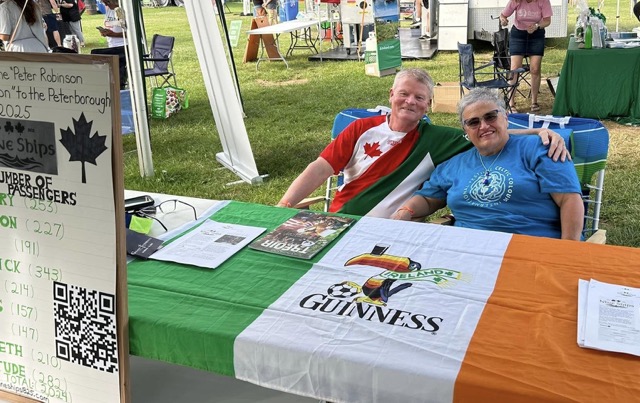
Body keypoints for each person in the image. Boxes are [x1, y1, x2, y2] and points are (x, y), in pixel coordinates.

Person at [276, 68, 568, 218]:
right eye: (404, 94)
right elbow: (319, 169)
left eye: (419, 98)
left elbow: (488, 133)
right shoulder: (360, 129)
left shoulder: (436, 140)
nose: (410, 102)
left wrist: (539, 132)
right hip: (341, 221)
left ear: (428, 105)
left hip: (394, 233)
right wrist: (285, 204)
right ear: (391, 94)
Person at [391, 88, 584, 241]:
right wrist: (405, 212)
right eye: (473, 122)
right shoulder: (455, 164)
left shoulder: (541, 148)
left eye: (490, 117)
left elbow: (569, 200)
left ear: (506, 117)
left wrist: (567, 251)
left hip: (531, 245)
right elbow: (427, 199)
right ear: (466, 130)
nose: (483, 126)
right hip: (467, 250)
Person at [499, 0, 552, 113]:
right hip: (518, 35)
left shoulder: (543, 1)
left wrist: (537, 26)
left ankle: (534, 102)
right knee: (514, 69)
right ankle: (511, 103)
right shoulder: (516, 1)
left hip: (537, 35)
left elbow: (547, 21)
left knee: (535, 69)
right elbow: (503, 15)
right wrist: (503, 20)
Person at [91, 0, 127, 89]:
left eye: (107, 2)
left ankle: (116, 84)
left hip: (125, 46)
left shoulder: (123, 11)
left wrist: (114, 34)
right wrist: (104, 32)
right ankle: (107, 83)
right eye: (104, 2)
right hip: (112, 45)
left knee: (95, 54)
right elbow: (110, 26)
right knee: (97, 54)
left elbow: (133, 34)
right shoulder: (109, 11)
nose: (106, 4)